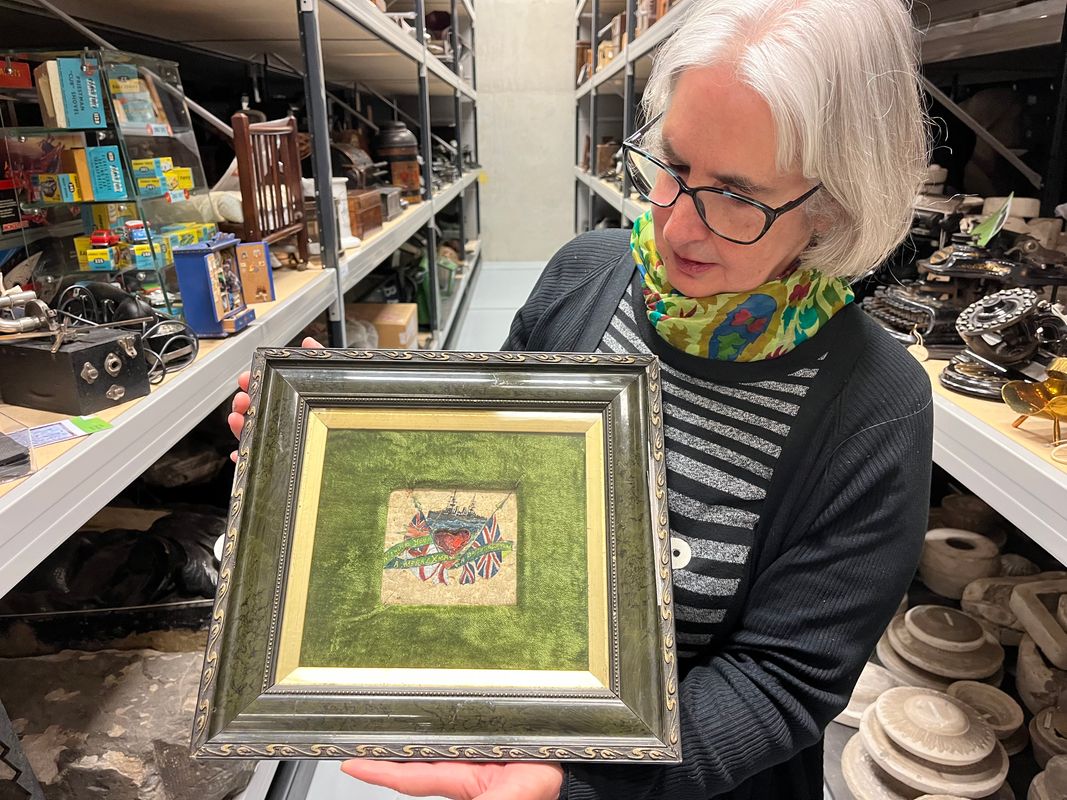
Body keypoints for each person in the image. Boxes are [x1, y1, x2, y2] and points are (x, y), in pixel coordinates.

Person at [229, 0, 933, 797]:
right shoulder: (584, 277)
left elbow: (778, 681)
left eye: (735, 195)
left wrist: (574, 779)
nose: (675, 227)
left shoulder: (873, 410)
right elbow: (486, 473)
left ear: (831, 206)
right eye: (672, 165)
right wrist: (333, 448)